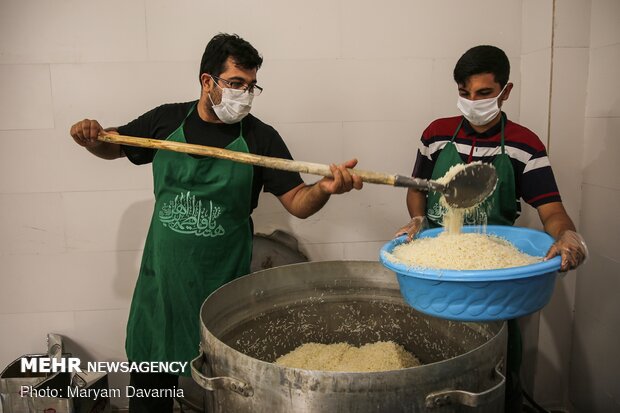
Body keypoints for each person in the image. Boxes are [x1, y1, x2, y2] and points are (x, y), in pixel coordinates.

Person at [70, 33, 362, 413]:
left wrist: (324, 189)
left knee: (223, 395)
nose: (245, 93)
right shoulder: (166, 121)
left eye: (251, 86)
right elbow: (115, 145)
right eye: (236, 83)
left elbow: (298, 203)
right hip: (162, 289)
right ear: (207, 81)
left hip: (222, 291)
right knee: (149, 398)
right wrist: (92, 139)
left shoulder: (260, 137)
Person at [395, 45, 588, 412]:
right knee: (431, 370)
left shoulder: (524, 146)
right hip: (437, 269)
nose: (472, 102)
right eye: (464, 94)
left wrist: (566, 234)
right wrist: (418, 219)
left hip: (492, 277)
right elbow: (417, 189)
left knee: (493, 373)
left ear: (505, 91)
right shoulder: (436, 134)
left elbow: (552, 212)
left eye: (483, 93)